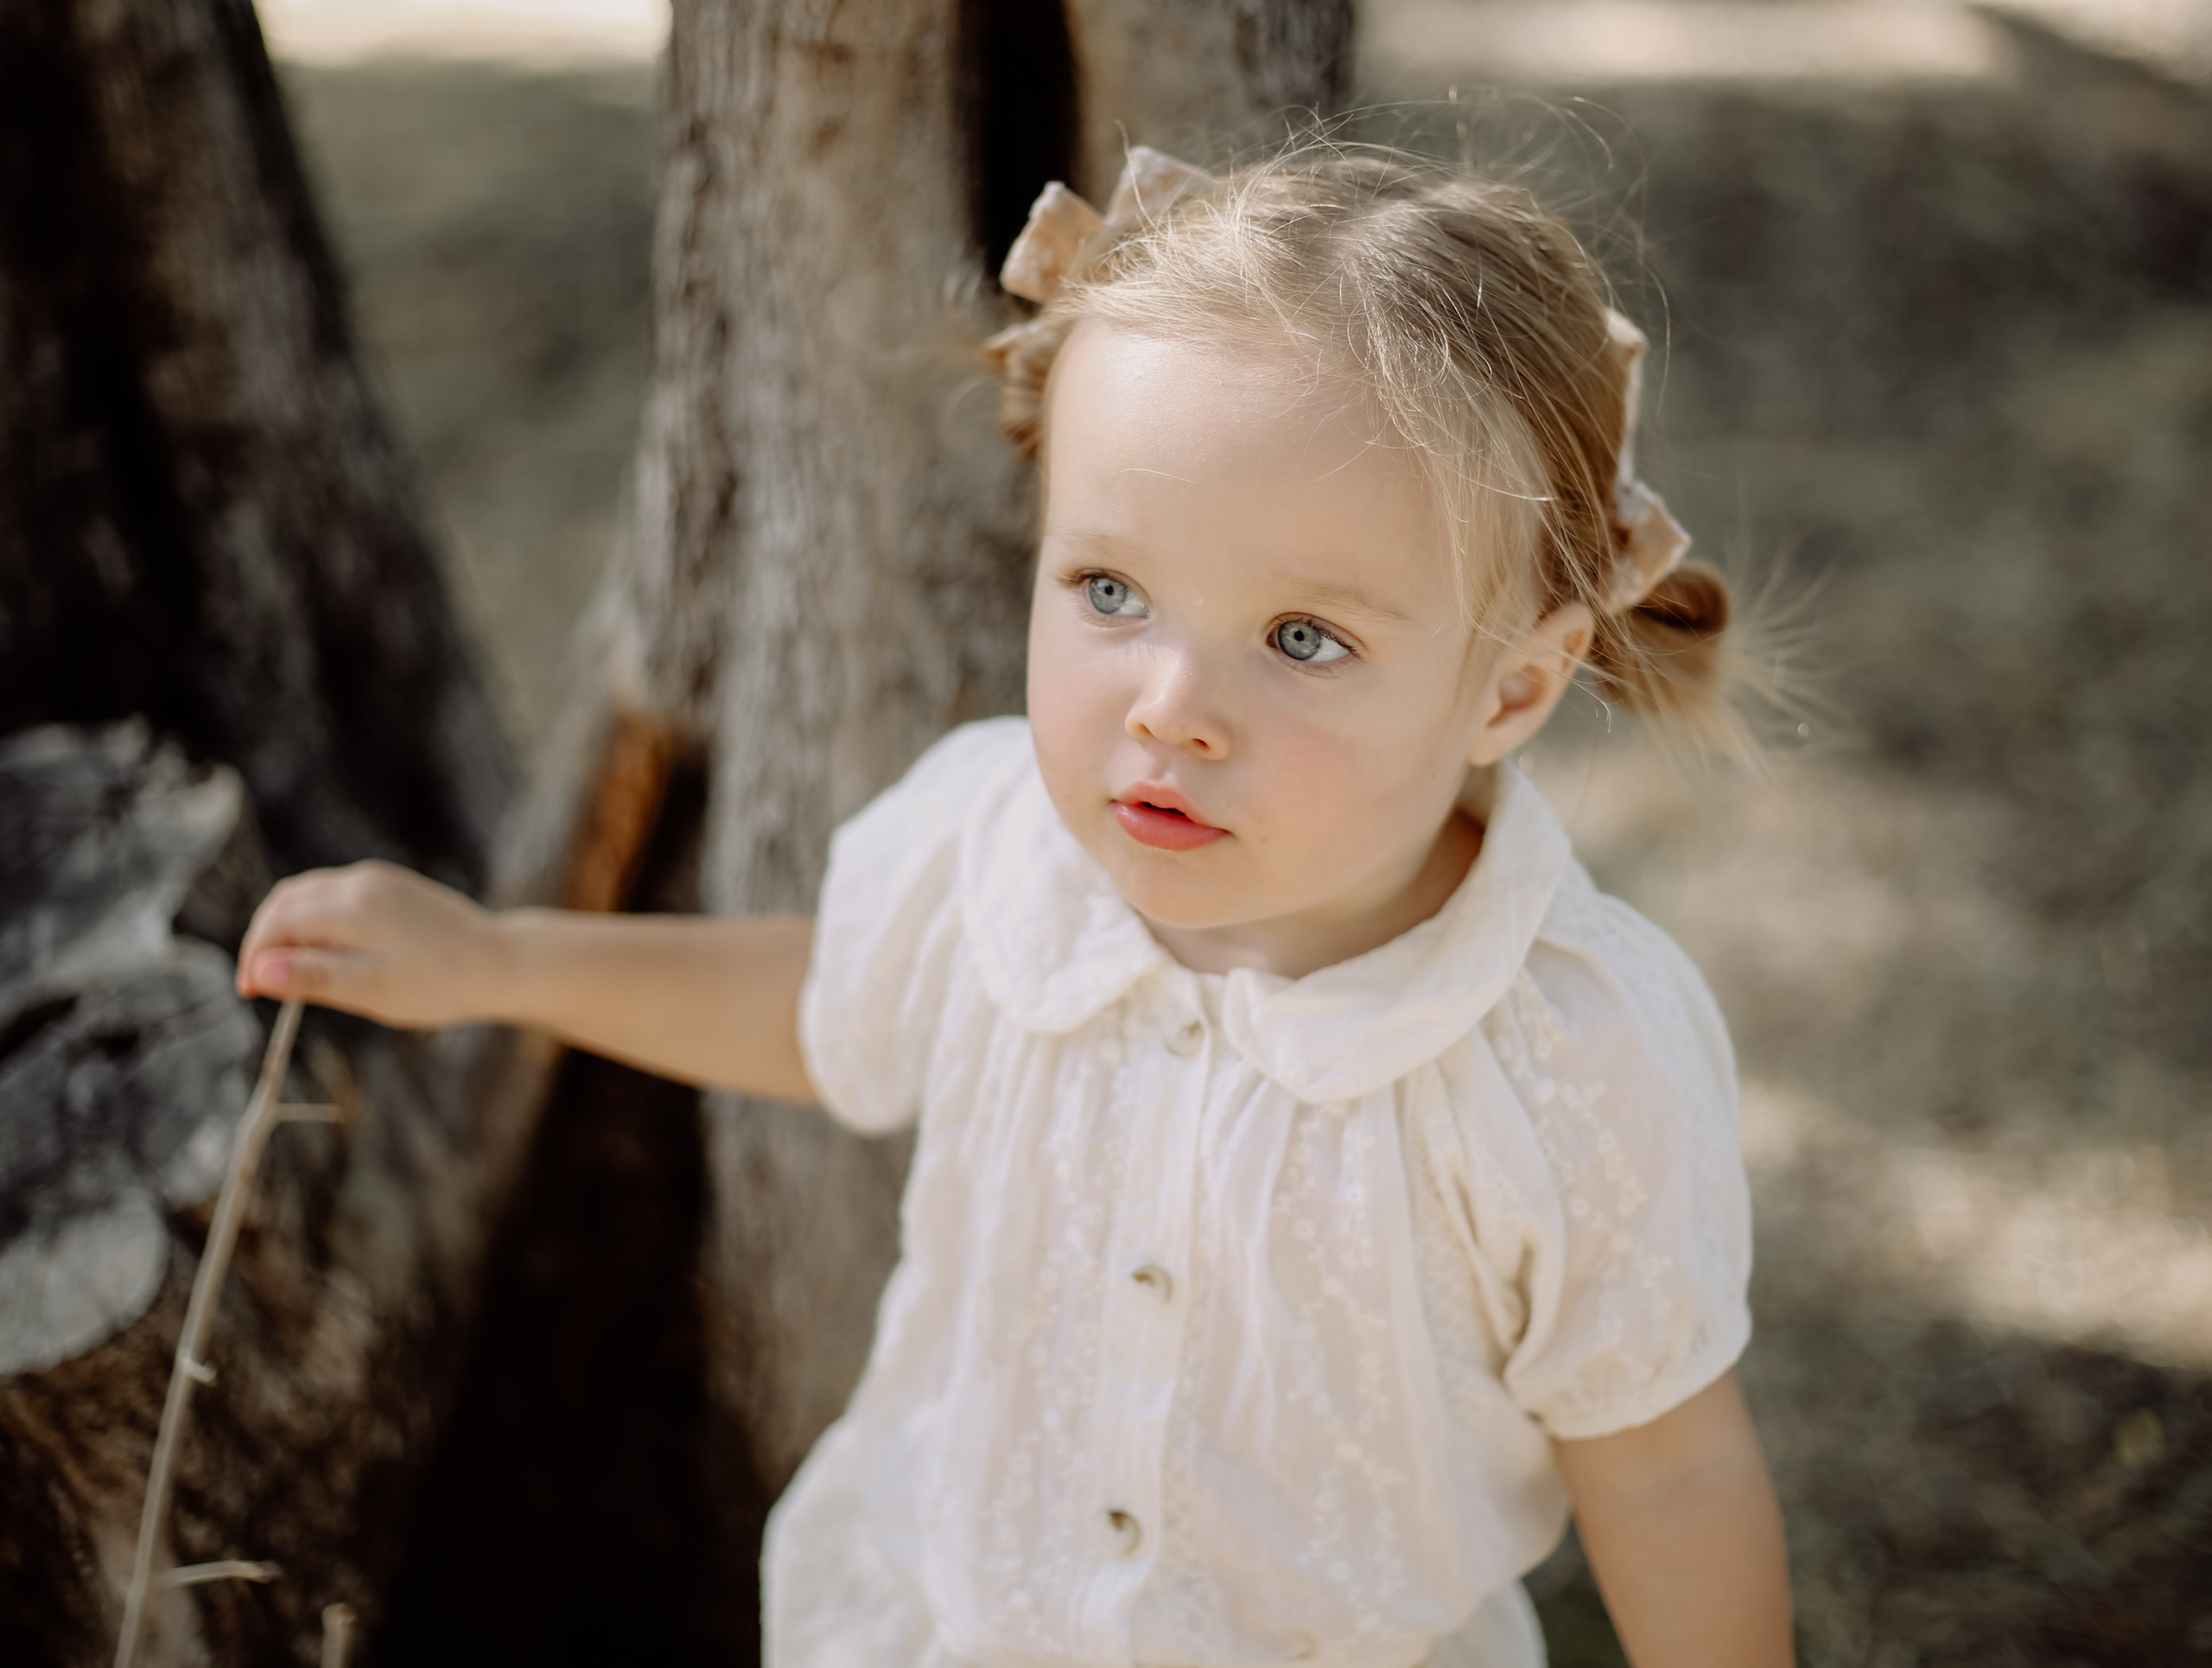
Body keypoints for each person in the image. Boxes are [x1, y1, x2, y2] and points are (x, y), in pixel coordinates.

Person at [237, 146, 1793, 1667]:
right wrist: (501, 960)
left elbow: (1667, 1469)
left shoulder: (1568, 1057)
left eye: (1303, 640)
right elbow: (825, 1002)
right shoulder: (997, 849)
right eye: (1111, 593)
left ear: (1513, 687)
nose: (1171, 708)